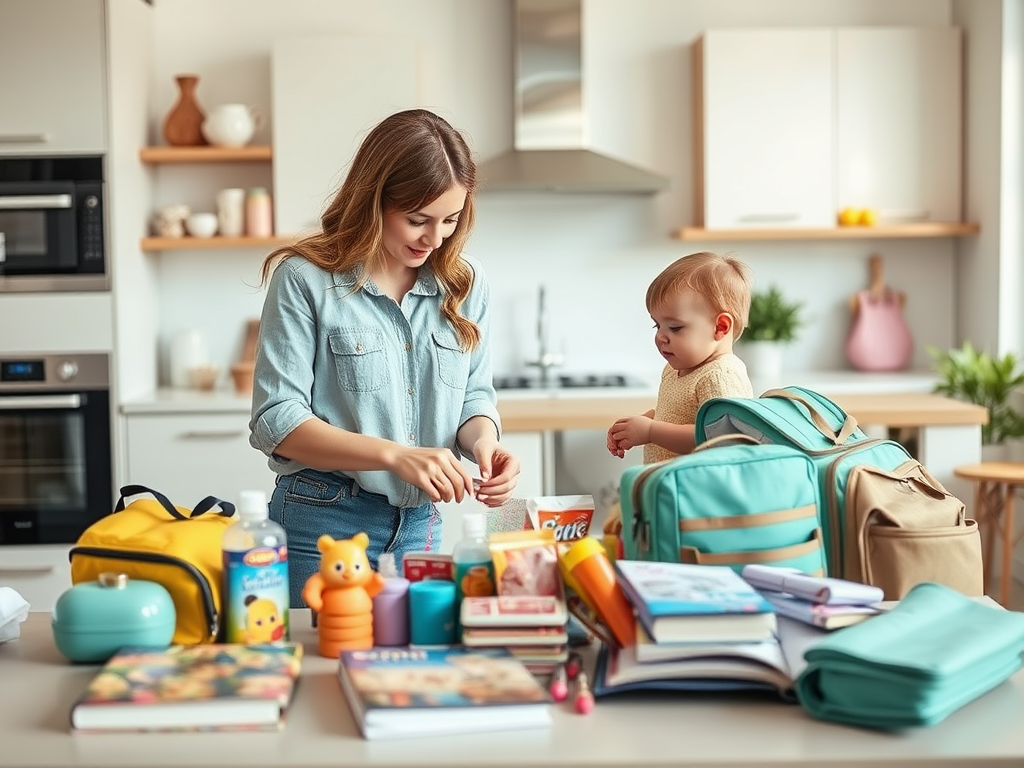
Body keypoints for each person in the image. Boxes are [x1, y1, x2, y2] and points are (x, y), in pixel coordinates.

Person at [249, 109, 521, 607]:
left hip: (421, 529)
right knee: (322, 671)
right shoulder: (305, 280)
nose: (434, 238)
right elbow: (277, 421)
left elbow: (473, 395)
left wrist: (485, 443)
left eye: (450, 220)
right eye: (416, 220)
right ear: (374, 201)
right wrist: (395, 455)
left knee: (411, 673)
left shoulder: (464, 284)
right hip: (322, 525)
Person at [604, 251, 754, 534]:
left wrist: (650, 431)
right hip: (670, 498)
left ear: (721, 327)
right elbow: (679, 414)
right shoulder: (677, 368)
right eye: (657, 324)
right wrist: (639, 425)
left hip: (701, 509)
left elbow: (720, 440)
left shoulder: (721, 375)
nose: (661, 336)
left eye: (675, 327)